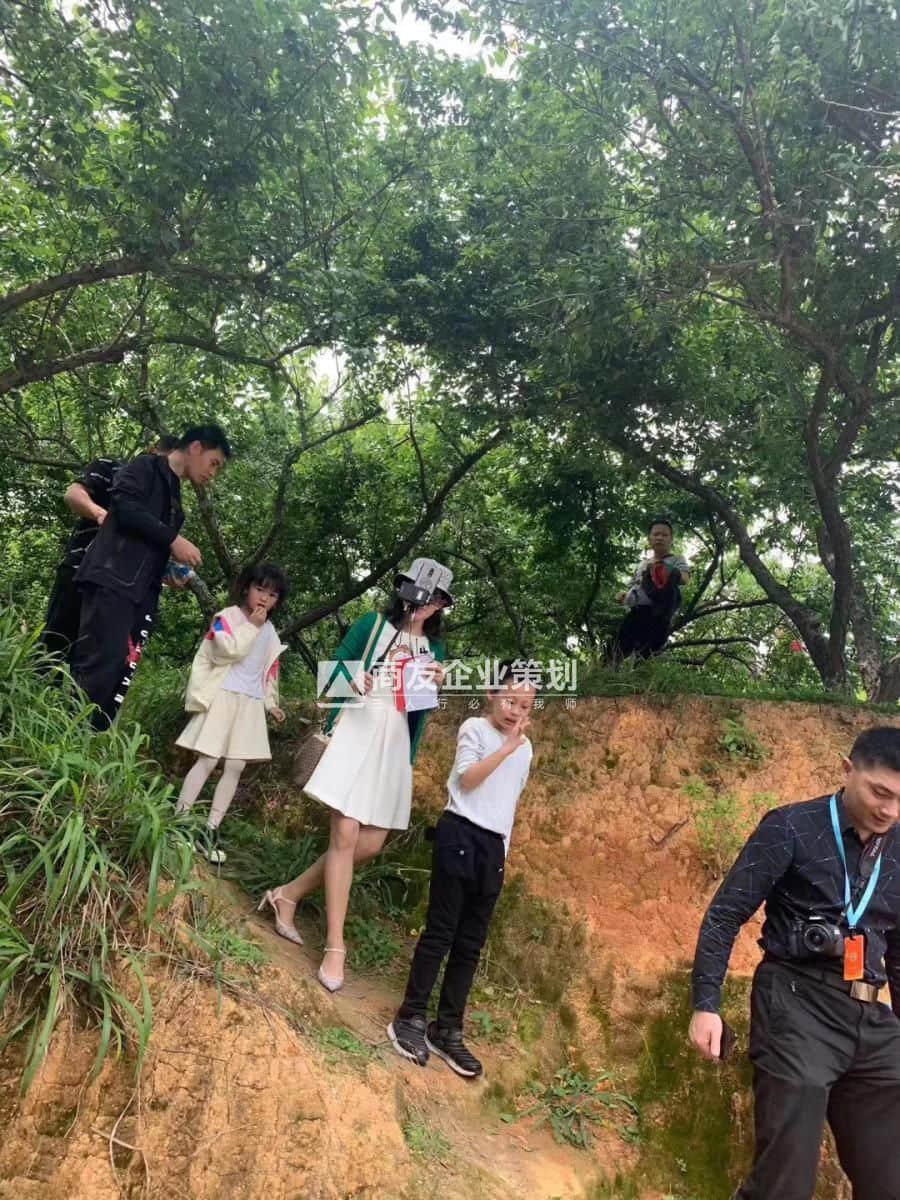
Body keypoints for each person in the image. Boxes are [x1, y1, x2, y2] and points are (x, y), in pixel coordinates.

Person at [688, 725, 900, 1200]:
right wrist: (706, 1004)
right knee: (785, 1181)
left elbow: (899, 952)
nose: (890, 810)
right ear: (847, 770)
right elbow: (725, 915)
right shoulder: (790, 826)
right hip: (796, 1002)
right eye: (880, 792)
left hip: (871, 1014)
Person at [258, 558, 450, 993]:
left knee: (371, 842)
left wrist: (435, 684)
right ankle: (335, 946)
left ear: (441, 605)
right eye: (422, 591)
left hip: (394, 744)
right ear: (406, 590)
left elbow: (417, 710)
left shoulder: (433, 650)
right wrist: (354, 679)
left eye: (436, 597)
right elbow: (329, 677)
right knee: (344, 837)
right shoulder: (372, 625)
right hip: (355, 730)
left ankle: (288, 894)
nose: (427, 602)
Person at [387, 663, 535, 1078]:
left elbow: (509, 802)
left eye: (525, 706)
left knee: (470, 944)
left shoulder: (526, 749)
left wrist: (503, 850)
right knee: (441, 932)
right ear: (492, 694)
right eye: (509, 700)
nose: (515, 711)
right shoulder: (475, 728)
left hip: (493, 847)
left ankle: (447, 1028)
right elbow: (467, 780)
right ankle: (410, 1017)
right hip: (459, 833)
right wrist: (505, 748)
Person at [71, 424, 231, 729]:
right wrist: (173, 539)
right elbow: (124, 508)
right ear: (196, 447)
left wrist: (167, 571)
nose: (213, 474)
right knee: (97, 667)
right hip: (111, 580)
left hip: (138, 593)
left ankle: (93, 740)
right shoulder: (146, 466)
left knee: (119, 670)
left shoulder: (175, 502)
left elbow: (146, 546)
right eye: (214, 463)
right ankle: (69, 736)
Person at [174, 562, 288, 864]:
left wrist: (271, 704)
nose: (264, 598)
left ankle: (210, 830)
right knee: (208, 759)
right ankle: (179, 823)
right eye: (259, 589)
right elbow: (226, 651)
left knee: (236, 765)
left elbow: (269, 671)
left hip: (250, 702)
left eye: (272, 595)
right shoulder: (226, 617)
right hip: (222, 695)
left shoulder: (271, 632)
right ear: (246, 588)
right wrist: (251, 626)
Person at [38, 438, 183, 663]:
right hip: (81, 568)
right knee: (54, 647)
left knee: (96, 661)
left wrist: (164, 570)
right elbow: (73, 494)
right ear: (153, 450)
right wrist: (100, 514)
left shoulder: (168, 501)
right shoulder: (112, 467)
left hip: (120, 591)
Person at [611, 517, 690, 661]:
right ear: (649, 539)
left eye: (664, 535)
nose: (660, 538)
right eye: (656, 534)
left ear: (671, 539)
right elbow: (633, 587)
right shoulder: (643, 564)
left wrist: (664, 571)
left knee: (647, 656)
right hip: (637, 612)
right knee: (616, 650)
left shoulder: (677, 559)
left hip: (659, 612)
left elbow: (684, 578)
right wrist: (623, 596)